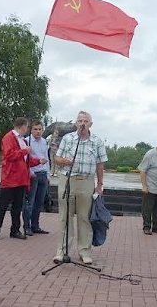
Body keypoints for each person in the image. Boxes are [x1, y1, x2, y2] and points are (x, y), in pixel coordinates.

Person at [53, 111, 107, 265]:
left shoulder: (97, 141)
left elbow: (100, 164)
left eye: (85, 121)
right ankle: (61, 251)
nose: (82, 123)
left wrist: (100, 184)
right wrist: (64, 161)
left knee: (84, 218)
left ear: (90, 124)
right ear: (76, 123)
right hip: (67, 179)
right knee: (65, 217)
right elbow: (56, 158)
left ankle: (85, 252)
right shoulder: (68, 139)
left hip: (86, 181)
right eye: (79, 120)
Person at [0, 117, 45, 241]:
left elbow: (27, 160)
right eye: (27, 127)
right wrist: (24, 151)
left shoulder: (23, 141)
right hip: (10, 178)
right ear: (23, 126)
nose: (27, 130)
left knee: (17, 207)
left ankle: (15, 230)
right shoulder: (8, 138)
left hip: (21, 179)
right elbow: (9, 155)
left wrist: (38, 161)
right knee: (2, 206)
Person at [22, 120, 50, 236]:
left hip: (43, 174)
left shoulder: (44, 142)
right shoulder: (27, 141)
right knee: (30, 202)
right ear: (31, 130)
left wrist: (48, 175)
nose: (38, 131)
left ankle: (35, 225)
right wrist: (30, 172)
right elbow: (24, 159)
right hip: (33, 175)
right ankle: (26, 226)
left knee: (39, 202)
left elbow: (46, 158)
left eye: (40, 129)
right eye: (35, 129)